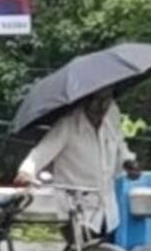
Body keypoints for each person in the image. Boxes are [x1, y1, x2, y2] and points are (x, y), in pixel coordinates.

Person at [17, 89, 139, 236]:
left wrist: (128, 163)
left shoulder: (111, 117)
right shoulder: (68, 125)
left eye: (106, 100)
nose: (101, 106)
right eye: (97, 100)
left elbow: (120, 145)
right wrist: (26, 172)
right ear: (85, 100)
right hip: (75, 208)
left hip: (106, 208)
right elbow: (41, 152)